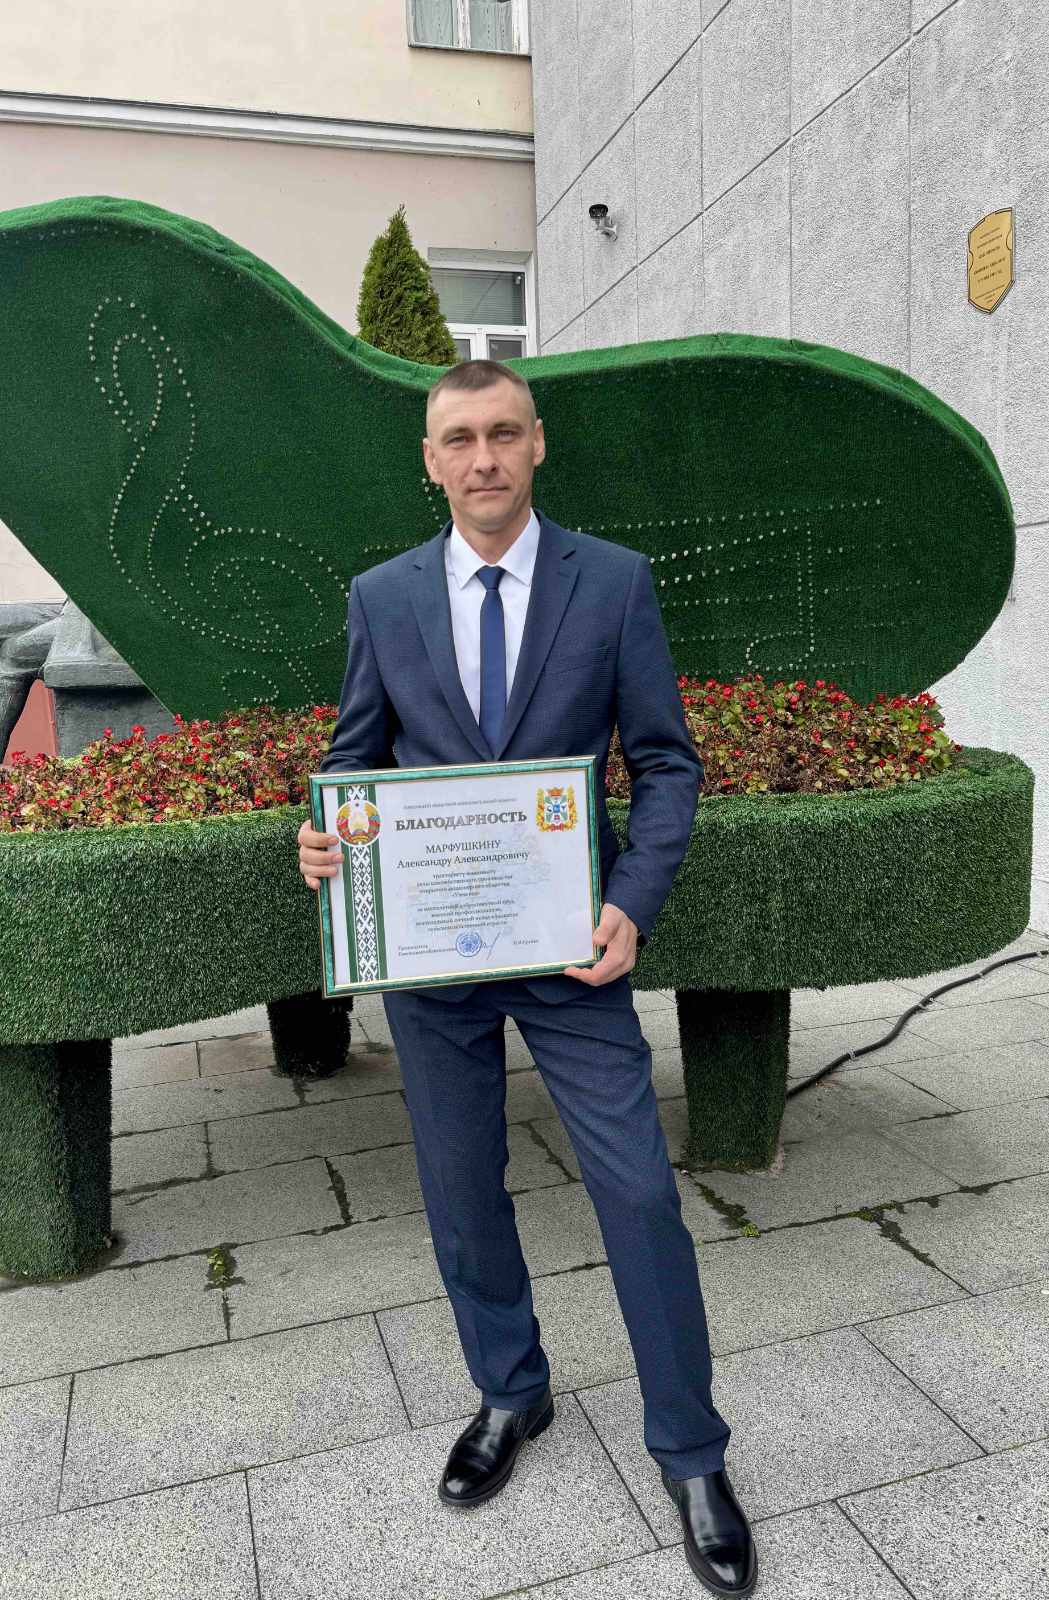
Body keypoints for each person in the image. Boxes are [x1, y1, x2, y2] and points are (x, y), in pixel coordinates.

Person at [297, 359, 757, 1597]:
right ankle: (511, 1392)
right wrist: (326, 841)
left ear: (537, 443)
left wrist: (631, 902)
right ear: (430, 460)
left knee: (638, 1191)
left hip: (570, 951)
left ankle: (691, 1452)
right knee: (461, 1193)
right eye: (459, 438)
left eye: (502, 432)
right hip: (434, 965)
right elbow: (356, 764)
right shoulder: (382, 597)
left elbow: (665, 763)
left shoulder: (611, 583)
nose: (483, 457)